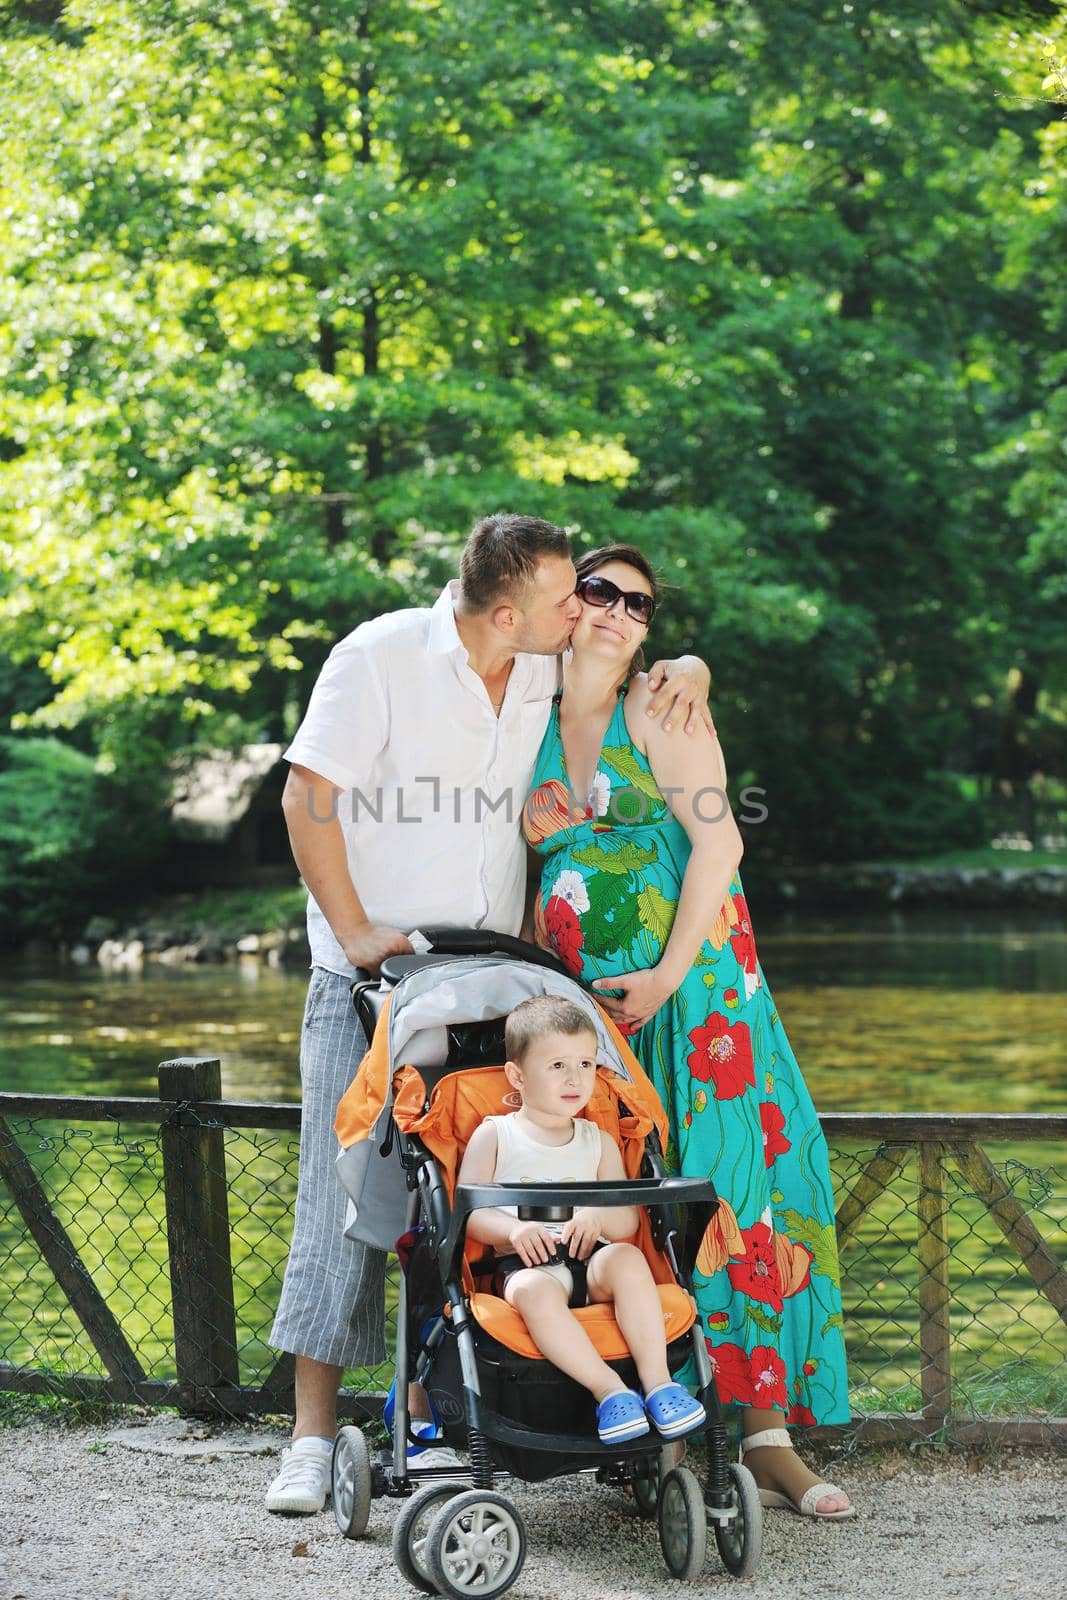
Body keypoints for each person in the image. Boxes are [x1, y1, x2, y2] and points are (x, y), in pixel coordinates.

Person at [265, 514, 713, 1514]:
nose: (582, 610)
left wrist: (689, 663)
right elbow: (306, 799)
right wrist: (355, 925)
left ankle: (456, 1407)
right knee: (341, 1202)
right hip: (373, 981)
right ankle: (305, 1436)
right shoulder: (377, 657)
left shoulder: (542, 666)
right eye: (568, 596)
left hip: (497, 985)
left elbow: (631, 659)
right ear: (507, 611)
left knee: (470, 1201)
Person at [522, 543, 856, 1520]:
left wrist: (667, 976)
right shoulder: (523, 725)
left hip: (700, 1000)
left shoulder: (658, 710)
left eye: (640, 603)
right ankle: (654, 1437)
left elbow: (719, 842)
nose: (619, 611)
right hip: (586, 1015)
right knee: (625, 1212)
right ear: (564, 602)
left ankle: (764, 1441)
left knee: (733, 1197)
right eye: (599, 591)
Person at [457, 994, 707, 1444]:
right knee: (533, 1291)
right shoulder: (495, 1135)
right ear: (517, 1074)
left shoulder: (598, 1141)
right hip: (527, 1266)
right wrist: (513, 1229)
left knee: (629, 1260)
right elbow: (471, 1217)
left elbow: (626, 1221)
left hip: (591, 1260)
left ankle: (658, 1384)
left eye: (586, 1065)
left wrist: (596, 1216)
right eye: (557, 1066)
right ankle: (611, 1392)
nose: (575, 1079)